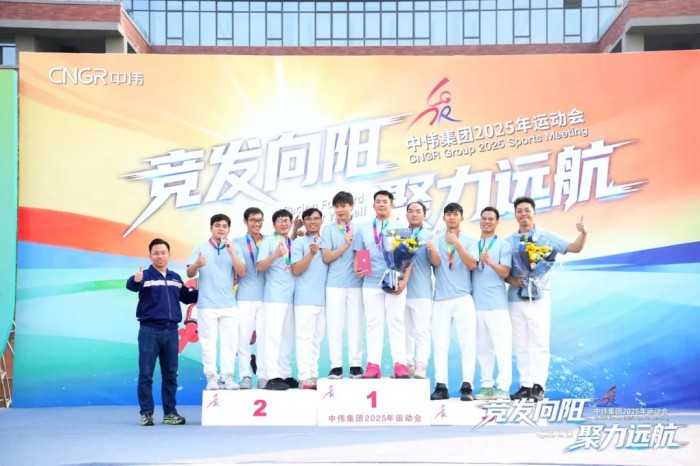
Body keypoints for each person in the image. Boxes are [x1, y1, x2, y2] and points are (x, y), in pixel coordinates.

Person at [506, 196, 587, 402]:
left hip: (540, 297)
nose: (523, 214)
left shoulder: (546, 236)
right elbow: (503, 271)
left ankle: (538, 385)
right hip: (515, 298)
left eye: (527, 210)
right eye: (519, 211)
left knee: (539, 341)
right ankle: (525, 385)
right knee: (520, 343)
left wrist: (583, 233)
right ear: (515, 215)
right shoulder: (508, 241)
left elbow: (574, 247)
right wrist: (513, 280)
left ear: (534, 212)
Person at [126, 238, 198, 426]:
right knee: (146, 375)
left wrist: (207, 288)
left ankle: (170, 413)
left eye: (163, 252)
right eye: (156, 253)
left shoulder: (175, 278)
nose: (160, 256)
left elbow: (187, 297)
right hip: (149, 331)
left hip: (172, 332)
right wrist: (135, 280)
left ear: (169, 255)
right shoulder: (144, 276)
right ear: (150, 256)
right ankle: (146, 414)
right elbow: (132, 286)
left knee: (171, 375)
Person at [353, 190, 411, 379]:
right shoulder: (364, 228)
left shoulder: (401, 227)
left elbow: (408, 258)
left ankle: (400, 365)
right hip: (371, 282)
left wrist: (404, 280)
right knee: (373, 324)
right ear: (373, 205)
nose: (381, 204)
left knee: (396, 322)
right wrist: (360, 268)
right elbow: (360, 253)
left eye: (385, 201)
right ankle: (373, 366)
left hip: (394, 281)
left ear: (391, 204)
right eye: (378, 201)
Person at [187, 214, 246, 391]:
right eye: (217, 225)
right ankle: (211, 376)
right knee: (208, 343)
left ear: (229, 229)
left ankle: (228, 376)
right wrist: (197, 264)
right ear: (211, 228)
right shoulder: (200, 248)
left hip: (229, 304)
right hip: (207, 304)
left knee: (230, 343)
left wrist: (232, 252)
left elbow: (242, 272)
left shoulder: (235, 248)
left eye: (225, 226)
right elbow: (190, 273)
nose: (221, 229)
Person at [429, 203, 478, 401]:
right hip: (441, 299)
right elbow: (434, 263)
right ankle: (441, 385)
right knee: (440, 344)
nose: (451, 217)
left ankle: (467, 386)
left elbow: (472, 264)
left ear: (462, 218)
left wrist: (457, 244)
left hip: (463, 297)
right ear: (443, 218)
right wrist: (432, 248)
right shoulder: (436, 239)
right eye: (448, 214)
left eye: (455, 214)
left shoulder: (470, 241)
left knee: (468, 343)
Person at [469, 207, 512, 400]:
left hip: (497, 306)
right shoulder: (472, 245)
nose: (487, 222)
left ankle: (503, 387)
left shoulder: (503, 246)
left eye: (491, 219)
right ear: (480, 221)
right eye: (484, 218)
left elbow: (506, 273)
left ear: (496, 222)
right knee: (483, 349)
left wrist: (490, 262)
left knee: (502, 348)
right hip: (477, 306)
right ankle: (487, 385)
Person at [320, 191, 364, 379]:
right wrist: (345, 246)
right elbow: (326, 257)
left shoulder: (360, 228)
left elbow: (363, 254)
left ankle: (356, 365)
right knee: (335, 325)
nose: (340, 210)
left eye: (344, 206)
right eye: (337, 206)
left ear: (352, 206)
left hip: (356, 283)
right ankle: (336, 365)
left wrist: (363, 269)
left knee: (356, 325)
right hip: (334, 284)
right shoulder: (329, 229)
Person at [257, 209, 297, 390]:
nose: (283, 223)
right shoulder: (268, 241)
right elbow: (259, 266)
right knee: (272, 337)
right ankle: (271, 375)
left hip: (290, 297)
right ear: (273, 224)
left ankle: (285, 373)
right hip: (274, 297)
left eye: (286, 220)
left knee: (287, 338)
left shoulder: (291, 242)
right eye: (280, 221)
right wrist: (274, 255)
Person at [291, 208, 328, 390]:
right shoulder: (299, 242)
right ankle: (304, 376)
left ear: (322, 220)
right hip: (304, 299)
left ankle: (313, 374)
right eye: (309, 219)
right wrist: (312, 254)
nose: (313, 222)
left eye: (316, 218)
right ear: (304, 222)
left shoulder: (326, 241)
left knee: (316, 340)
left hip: (324, 300)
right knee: (304, 338)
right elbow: (296, 270)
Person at [234, 207, 267, 389]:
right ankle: (245, 375)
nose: (257, 223)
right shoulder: (237, 243)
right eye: (253, 220)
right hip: (245, 297)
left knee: (264, 339)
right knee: (243, 338)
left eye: (259, 220)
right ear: (245, 221)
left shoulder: (268, 240)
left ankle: (263, 375)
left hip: (266, 297)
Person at [404, 201, 433, 379]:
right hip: (401, 290)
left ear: (424, 215)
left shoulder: (430, 235)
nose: (414, 214)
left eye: (418, 211)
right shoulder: (400, 234)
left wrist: (432, 250)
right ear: (406, 214)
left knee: (422, 330)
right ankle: (407, 364)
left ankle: (421, 364)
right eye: (411, 211)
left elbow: (435, 262)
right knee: (405, 331)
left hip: (422, 291)